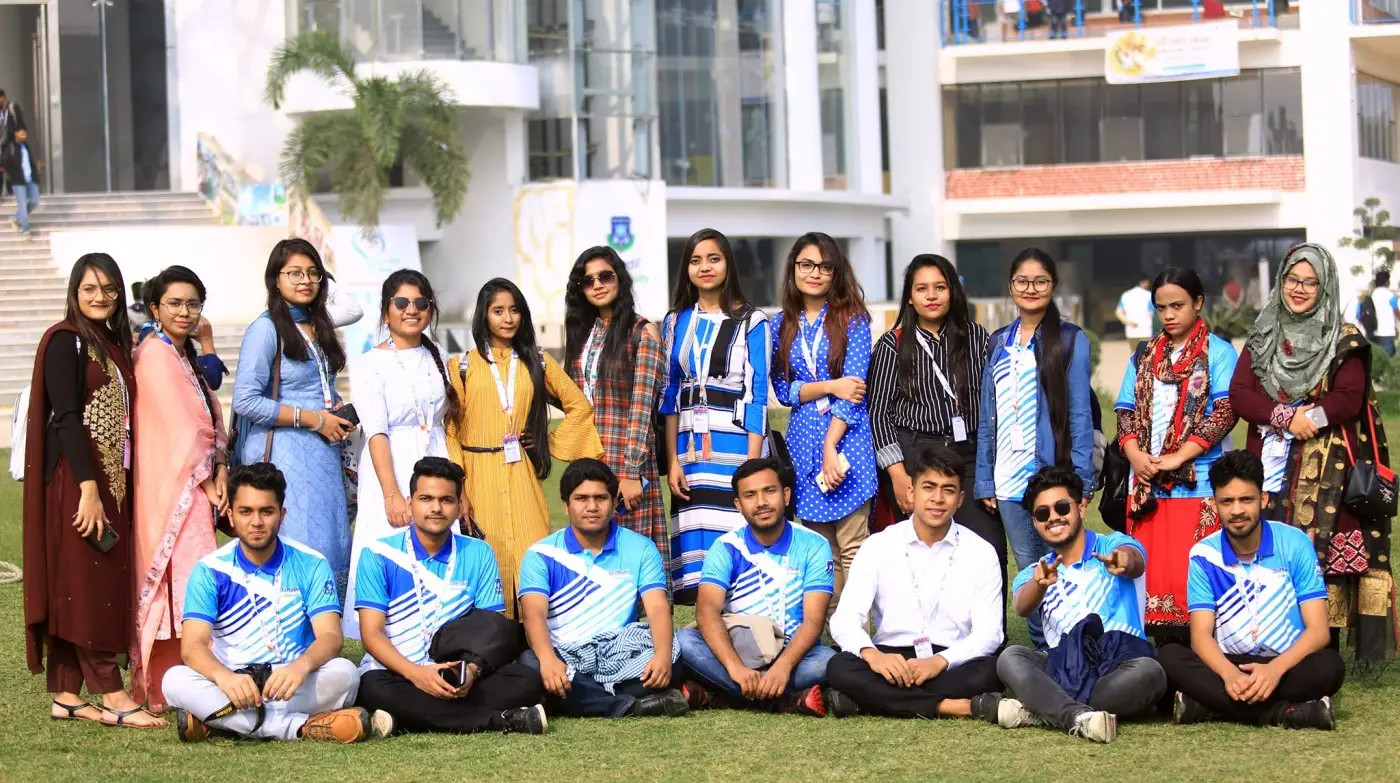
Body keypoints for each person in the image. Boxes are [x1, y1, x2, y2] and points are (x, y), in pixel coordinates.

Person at [1229, 243, 1395, 667]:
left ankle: (1322, 655)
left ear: (1325, 287)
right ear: (1281, 281)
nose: (1299, 289)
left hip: (1326, 472)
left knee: (1324, 562)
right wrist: (1285, 417)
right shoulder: (1264, 334)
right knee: (1266, 550)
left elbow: (1348, 398)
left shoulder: (1344, 339)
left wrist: (1310, 418)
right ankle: (1267, 640)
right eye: (1292, 279)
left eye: (1311, 282)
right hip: (1269, 464)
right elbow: (1241, 394)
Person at [22, 254, 165, 727]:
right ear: (75, 293)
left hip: (110, 481)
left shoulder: (110, 343)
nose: (100, 297)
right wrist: (87, 488)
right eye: (90, 289)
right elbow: (66, 418)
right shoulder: (66, 340)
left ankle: (67, 694)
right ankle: (113, 696)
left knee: (79, 582)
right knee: (89, 583)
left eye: (109, 289)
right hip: (78, 481)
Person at [163, 463, 385, 743]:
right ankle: (300, 727)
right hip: (232, 681)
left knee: (346, 675)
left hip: (292, 681)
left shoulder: (312, 563)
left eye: (266, 511)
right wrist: (225, 678)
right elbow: (192, 646)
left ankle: (220, 721)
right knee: (174, 680)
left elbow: (330, 636)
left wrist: (301, 666)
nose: (256, 522)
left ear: (282, 514)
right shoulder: (209, 570)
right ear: (230, 515)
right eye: (246, 511)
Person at [353, 457, 547, 735]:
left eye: (446, 500)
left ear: (458, 506)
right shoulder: (378, 554)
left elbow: (491, 627)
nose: (436, 508)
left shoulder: (479, 552)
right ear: (410, 503)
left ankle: (406, 719)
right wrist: (417, 675)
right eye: (426, 498)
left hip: (457, 673)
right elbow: (371, 635)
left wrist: (471, 671)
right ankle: (500, 720)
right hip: (396, 672)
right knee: (373, 688)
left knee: (527, 679)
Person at [446, 279, 602, 615]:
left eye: (514, 310)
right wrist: (460, 490)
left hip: (521, 474)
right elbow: (451, 431)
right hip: (477, 475)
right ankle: (493, 634)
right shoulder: (461, 366)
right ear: (483, 315)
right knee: (488, 558)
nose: (508, 318)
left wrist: (548, 442)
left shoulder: (538, 361)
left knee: (533, 553)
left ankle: (535, 634)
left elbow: (579, 405)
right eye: (498, 311)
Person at [1158, 451, 1345, 730]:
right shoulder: (1203, 554)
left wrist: (1274, 670)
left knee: (1329, 667)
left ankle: (1209, 706)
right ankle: (1284, 713)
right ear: (1214, 504)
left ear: (1264, 499)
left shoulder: (1296, 544)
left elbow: (1318, 631)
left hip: (1286, 664)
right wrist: (1229, 675)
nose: (1237, 511)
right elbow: (1200, 636)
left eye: (1246, 499)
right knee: (1169, 657)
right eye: (1227, 501)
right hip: (1230, 663)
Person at [825, 447, 1013, 724]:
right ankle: (953, 707)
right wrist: (872, 655)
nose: (938, 498)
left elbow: (990, 633)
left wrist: (939, 662)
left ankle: (868, 700)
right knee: (839, 666)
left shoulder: (981, 552)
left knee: (992, 670)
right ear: (912, 492)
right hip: (890, 658)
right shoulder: (878, 545)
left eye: (948, 490)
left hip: (950, 660)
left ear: (960, 499)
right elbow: (844, 619)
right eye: (929, 487)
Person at [868, 255, 1006, 614]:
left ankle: (991, 636)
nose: (931, 296)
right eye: (922, 289)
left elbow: (992, 402)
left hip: (969, 455)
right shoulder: (892, 344)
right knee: (921, 552)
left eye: (940, 287)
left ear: (953, 292)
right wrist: (898, 475)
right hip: (916, 456)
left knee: (988, 546)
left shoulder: (977, 337)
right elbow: (879, 414)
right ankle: (922, 633)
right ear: (909, 297)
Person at [975, 247, 1094, 649]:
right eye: (1022, 281)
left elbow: (1080, 414)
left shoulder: (1070, 339)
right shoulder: (998, 341)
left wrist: (1082, 481)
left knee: (1066, 564)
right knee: (1029, 569)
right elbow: (988, 416)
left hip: (1051, 476)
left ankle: (1074, 647)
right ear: (1011, 286)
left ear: (1053, 286)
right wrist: (985, 479)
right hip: (1007, 479)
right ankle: (1045, 651)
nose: (1031, 288)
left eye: (1040, 281)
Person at [996, 467, 1166, 744]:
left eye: (1062, 507)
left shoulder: (1112, 544)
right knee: (1011, 657)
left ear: (1082, 507)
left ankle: (1045, 709)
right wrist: (1040, 585)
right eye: (1042, 513)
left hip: (1118, 664)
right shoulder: (1034, 572)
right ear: (1035, 522)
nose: (1053, 517)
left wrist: (1124, 561)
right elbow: (1021, 607)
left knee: (1149, 672)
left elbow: (1135, 560)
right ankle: (1077, 716)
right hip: (1065, 666)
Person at [1114, 268, 1238, 636]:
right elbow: (1125, 411)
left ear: (1198, 303)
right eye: (1161, 307)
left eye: (1177, 305)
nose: (1169, 315)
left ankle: (1200, 653)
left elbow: (1225, 412)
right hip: (1147, 483)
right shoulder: (1144, 355)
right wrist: (1135, 456)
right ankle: (1161, 656)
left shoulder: (1219, 352)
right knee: (1152, 581)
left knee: (1195, 580)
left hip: (1199, 484)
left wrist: (1179, 456)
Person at [232, 238, 356, 595]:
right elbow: (246, 401)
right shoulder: (266, 328)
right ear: (275, 279)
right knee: (296, 544)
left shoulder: (317, 324)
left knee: (329, 543)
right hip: (285, 454)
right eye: (295, 273)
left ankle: (323, 624)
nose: (306, 281)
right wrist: (315, 419)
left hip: (322, 454)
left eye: (314, 273)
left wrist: (332, 411)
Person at [517, 459, 687, 718]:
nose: (592, 507)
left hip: (620, 651)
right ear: (566, 505)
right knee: (531, 663)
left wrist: (662, 658)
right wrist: (549, 661)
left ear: (614, 501)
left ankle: (581, 698)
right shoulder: (541, 554)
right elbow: (533, 615)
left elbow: (657, 608)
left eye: (601, 498)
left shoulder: (641, 547)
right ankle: (626, 704)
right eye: (581, 498)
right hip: (565, 654)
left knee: (672, 656)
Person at [131, 266, 227, 713]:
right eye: (175, 303)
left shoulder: (180, 351)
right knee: (178, 581)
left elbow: (207, 412)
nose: (185, 312)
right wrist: (209, 476)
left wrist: (218, 468)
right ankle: (162, 683)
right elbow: (179, 427)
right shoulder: (154, 354)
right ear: (155, 308)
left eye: (193, 304)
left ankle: (193, 675)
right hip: (173, 487)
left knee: (193, 579)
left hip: (194, 483)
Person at [342, 270, 457, 639]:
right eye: (402, 302)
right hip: (390, 464)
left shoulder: (438, 354)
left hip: (437, 458)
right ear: (386, 310)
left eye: (421, 303)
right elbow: (376, 431)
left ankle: (439, 632)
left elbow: (447, 422)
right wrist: (392, 493)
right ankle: (387, 642)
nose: (412, 310)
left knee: (440, 548)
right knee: (391, 551)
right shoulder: (369, 363)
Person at [662, 228, 771, 604]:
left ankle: (747, 622)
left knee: (738, 539)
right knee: (700, 555)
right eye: (695, 261)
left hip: (737, 447)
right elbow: (669, 396)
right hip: (690, 452)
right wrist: (672, 460)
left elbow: (757, 396)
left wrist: (752, 468)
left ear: (728, 264)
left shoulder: (753, 321)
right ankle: (706, 629)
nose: (705, 267)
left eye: (714, 259)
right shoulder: (675, 321)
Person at [678, 457, 836, 714]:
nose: (761, 502)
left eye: (769, 491)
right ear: (739, 505)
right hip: (739, 652)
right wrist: (735, 668)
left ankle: (725, 695)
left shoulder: (814, 545)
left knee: (827, 661)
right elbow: (706, 612)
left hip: (794, 657)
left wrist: (783, 668)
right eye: (750, 495)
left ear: (786, 495)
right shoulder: (726, 547)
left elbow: (813, 621)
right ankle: (782, 699)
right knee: (683, 641)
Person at [769, 233, 876, 613]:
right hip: (803, 445)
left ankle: (855, 634)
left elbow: (855, 389)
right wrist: (831, 385)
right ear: (794, 269)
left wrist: (831, 445)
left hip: (848, 442)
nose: (815, 273)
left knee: (853, 548)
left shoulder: (853, 319)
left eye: (824, 266)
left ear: (836, 272)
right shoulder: (780, 324)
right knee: (821, 554)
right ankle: (827, 635)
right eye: (806, 265)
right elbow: (784, 391)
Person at [563, 246, 669, 567]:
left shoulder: (642, 332)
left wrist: (631, 471)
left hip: (626, 462)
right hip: (589, 462)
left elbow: (642, 407)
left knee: (631, 556)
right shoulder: (585, 334)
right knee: (591, 554)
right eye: (588, 281)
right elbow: (575, 399)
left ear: (620, 279)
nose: (597, 285)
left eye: (605, 276)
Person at [4, 128, 40, 237]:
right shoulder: (11, 147)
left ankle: (15, 217)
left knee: (34, 201)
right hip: (18, 181)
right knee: (22, 205)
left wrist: (35, 174)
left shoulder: (26, 146)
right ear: (16, 134)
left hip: (30, 178)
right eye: (22, 133)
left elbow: (30, 161)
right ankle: (26, 230)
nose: (24, 135)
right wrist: (13, 175)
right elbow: (5, 162)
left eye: (25, 133)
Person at [1367, 269, 1397, 356]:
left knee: (1376, 358)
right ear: (1387, 281)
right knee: (1387, 358)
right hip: (1387, 331)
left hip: (1374, 331)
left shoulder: (1373, 294)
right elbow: (1396, 311)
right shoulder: (1390, 295)